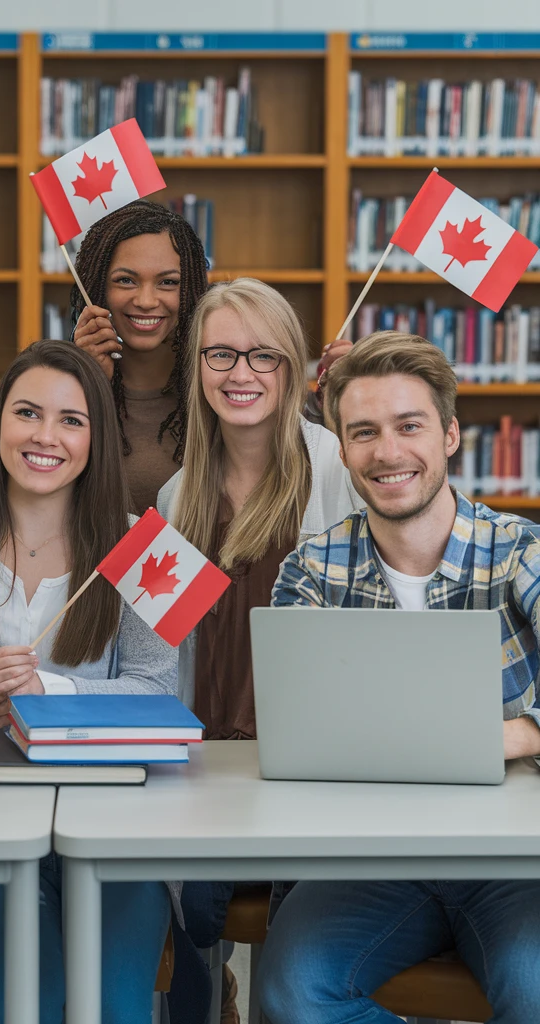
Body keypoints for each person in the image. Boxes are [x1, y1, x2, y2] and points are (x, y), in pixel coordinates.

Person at [256, 330, 540, 1024]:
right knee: (292, 993)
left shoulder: (521, 554)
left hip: (512, 863)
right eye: (363, 432)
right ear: (343, 449)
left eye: (408, 426)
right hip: (371, 861)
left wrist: (505, 735)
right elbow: (299, 736)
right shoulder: (312, 571)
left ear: (448, 435)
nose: (387, 452)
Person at [0, 341, 178, 1023]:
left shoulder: (146, 552)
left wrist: (52, 697)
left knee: (115, 1004)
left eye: (71, 420)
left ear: (97, 439)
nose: (46, 437)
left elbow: (163, 697)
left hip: (114, 829)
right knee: (35, 994)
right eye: (27, 413)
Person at [156, 279, 362, 1024]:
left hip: (309, 763)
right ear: (197, 368)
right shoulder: (176, 497)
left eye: (263, 356)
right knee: (186, 943)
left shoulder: (340, 468)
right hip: (205, 761)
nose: (240, 373)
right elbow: (162, 649)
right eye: (220, 354)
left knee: (296, 971)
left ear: (298, 368)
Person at [68, 200, 209, 514]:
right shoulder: (60, 386)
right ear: (97, 287)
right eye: (126, 280)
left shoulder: (216, 386)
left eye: (168, 282)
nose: (146, 300)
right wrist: (85, 383)